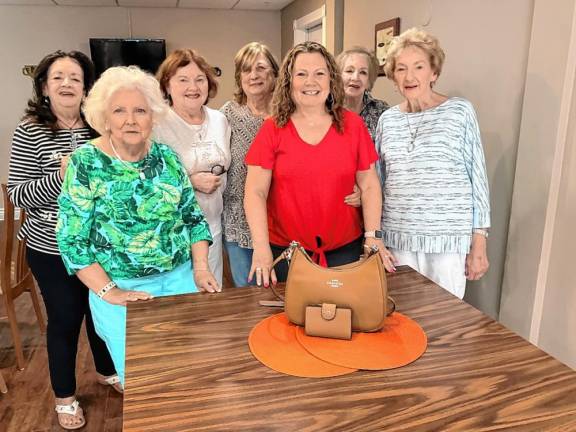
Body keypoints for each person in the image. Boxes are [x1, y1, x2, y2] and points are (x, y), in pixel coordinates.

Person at [56, 66, 219, 388]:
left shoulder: (167, 158)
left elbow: (193, 218)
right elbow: (72, 241)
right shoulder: (86, 162)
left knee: (186, 370)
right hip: (120, 288)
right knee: (143, 381)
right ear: (105, 116)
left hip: (180, 280)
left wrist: (200, 269)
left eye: (140, 110)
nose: (130, 120)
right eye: (119, 110)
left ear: (153, 116)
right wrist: (109, 291)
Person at [7, 50, 119, 430]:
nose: (68, 84)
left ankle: (106, 370)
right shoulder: (30, 130)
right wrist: (62, 177)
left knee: (100, 310)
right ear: (44, 87)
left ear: (87, 87)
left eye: (75, 77)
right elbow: (18, 195)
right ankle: (65, 397)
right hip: (50, 247)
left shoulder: (99, 127)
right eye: (58, 77)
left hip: (97, 245)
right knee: (67, 317)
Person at [244, 41, 395, 288]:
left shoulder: (353, 126)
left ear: (331, 80)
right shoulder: (273, 129)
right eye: (301, 74)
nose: (310, 82)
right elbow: (255, 191)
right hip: (287, 253)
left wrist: (373, 236)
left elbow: (369, 185)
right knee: (289, 323)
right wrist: (261, 248)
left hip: (345, 250)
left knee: (345, 321)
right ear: (288, 81)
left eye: (319, 74)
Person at [376, 28, 490, 299]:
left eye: (418, 67)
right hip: (398, 241)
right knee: (400, 324)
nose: (410, 76)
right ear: (393, 77)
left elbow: (478, 179)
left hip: (447, 242)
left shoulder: (459, 111)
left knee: (443, 321)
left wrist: (479, 241)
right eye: (401, 69)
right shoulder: (387, 120)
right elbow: (378, 181)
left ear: (434, 73)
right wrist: (376, 237)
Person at [155, 49, 231, 286]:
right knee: (180, 302)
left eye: (200, 79)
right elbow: (144, 180)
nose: (193, 87)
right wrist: (190, 181)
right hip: (172, 232)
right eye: (183, 80)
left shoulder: (219, 120)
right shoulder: (157, 125)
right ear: (167, 85)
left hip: (212, 226)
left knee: (210, 297)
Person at [219, 42, 279, 287]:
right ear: (239, 77)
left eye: (261, 68)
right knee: (249, 293)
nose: (253, 75)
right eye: (246, 70)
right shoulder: (226, 115)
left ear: (274, 74)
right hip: (238, 220)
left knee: (288, 292)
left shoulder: (287, 114)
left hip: (281, 220)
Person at [337, 46, 389, 141]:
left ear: (369, 80)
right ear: (338, 76)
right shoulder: (326, 109)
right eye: (349, 71)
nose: (355, 77)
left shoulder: (381, 111)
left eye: (363, 72)